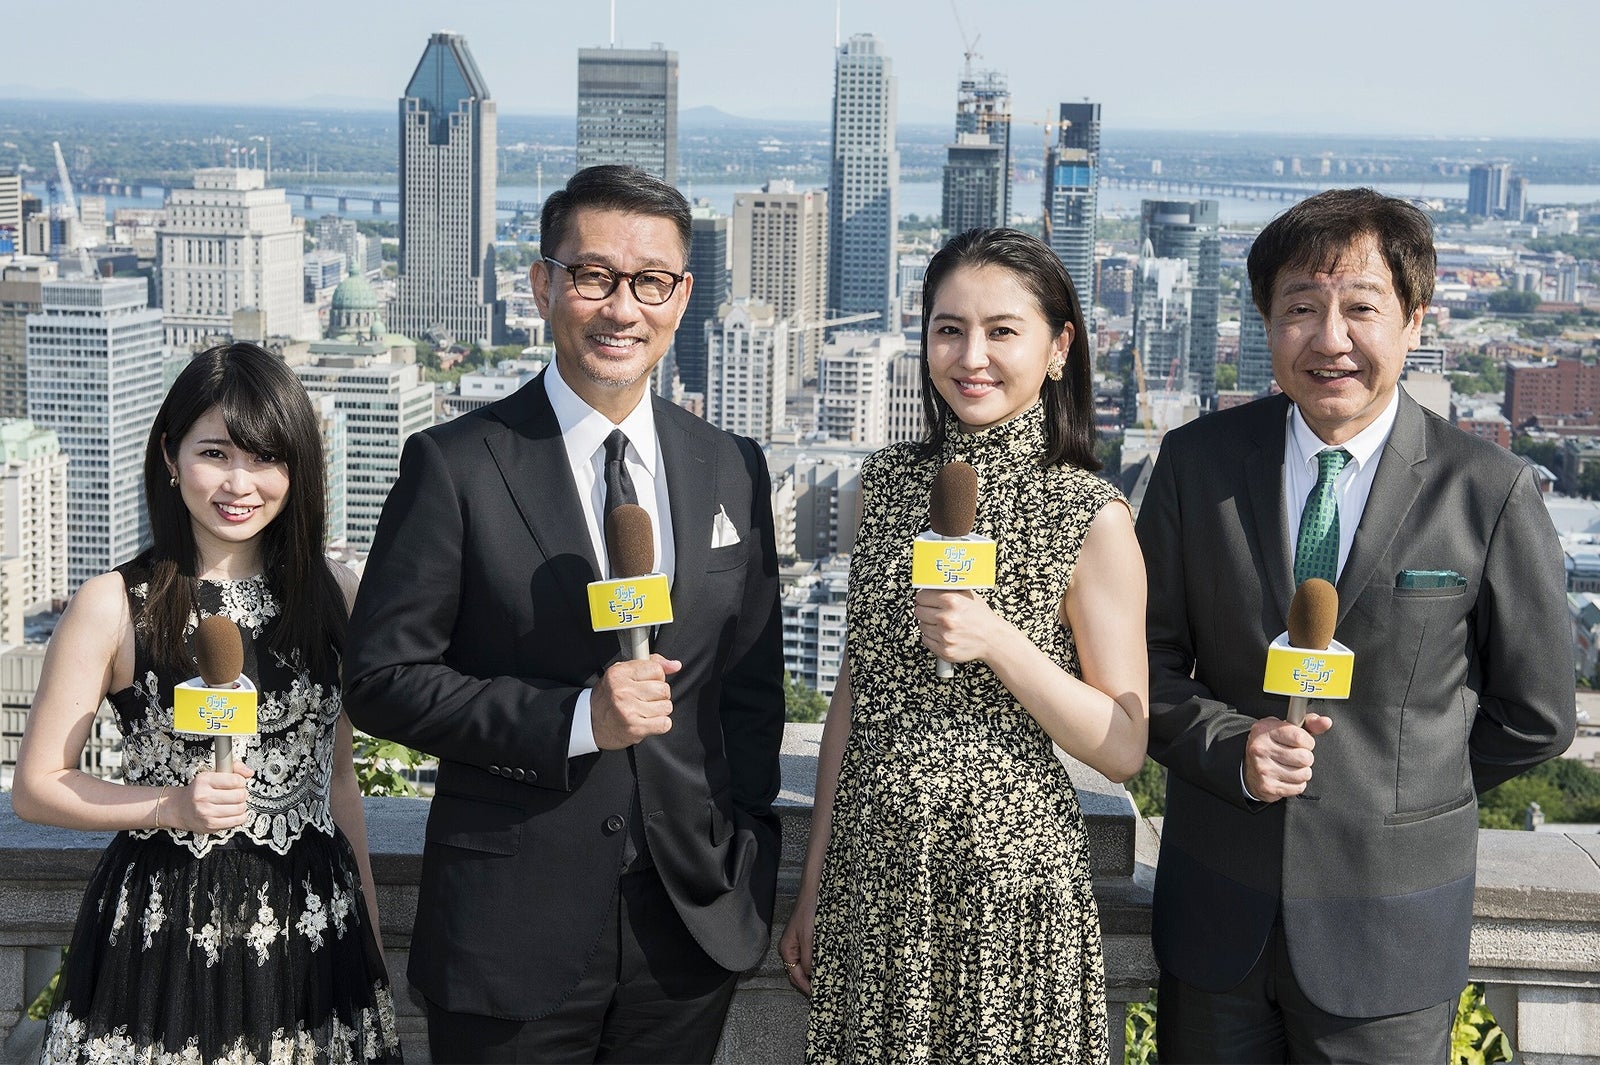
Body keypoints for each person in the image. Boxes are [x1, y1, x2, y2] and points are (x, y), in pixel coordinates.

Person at [343, 163, 785, 1064]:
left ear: (683, 297)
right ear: (544, 285)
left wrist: (746, 858)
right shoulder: (457, 465)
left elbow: (748, 687)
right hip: (512, 929)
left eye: (650, 281)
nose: (623, 307)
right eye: (593, 275)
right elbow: (381, 679)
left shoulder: (731, 465)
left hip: (688, 929)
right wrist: (579, 718)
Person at [1137, 187, 1576, 1062]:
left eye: (1361, 308)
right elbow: (1141, 659)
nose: (1330, 338)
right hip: (1218, 919)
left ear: (1415, 320)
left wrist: (1399, 787)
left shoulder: (1486, 490)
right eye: (1300, 308)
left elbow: (1536, 714)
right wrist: (1234, 748)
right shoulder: (1199, 464)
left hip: (1391, 937)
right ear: (1266, 324)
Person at [779, 228, 1149, 1063]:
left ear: (1060, 347)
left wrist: (999, 641)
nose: (970, 355)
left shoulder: (1090, 514)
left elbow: (1124, 743)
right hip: (875, 875)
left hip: (1009, 883)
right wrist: (815, 884)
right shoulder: (888, 483)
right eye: (949, 329)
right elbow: (852, 695)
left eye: (1002, 330)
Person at [14, 342, 400, 1064]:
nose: (240, 481)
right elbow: (38, 785)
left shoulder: (334, 592)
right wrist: (171, 805)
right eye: (215, 452)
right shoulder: (115, 604)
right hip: (165, 928)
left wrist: (370, 930)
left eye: (265, 457)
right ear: (170, 454)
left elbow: (337, 776)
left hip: (312, 920)